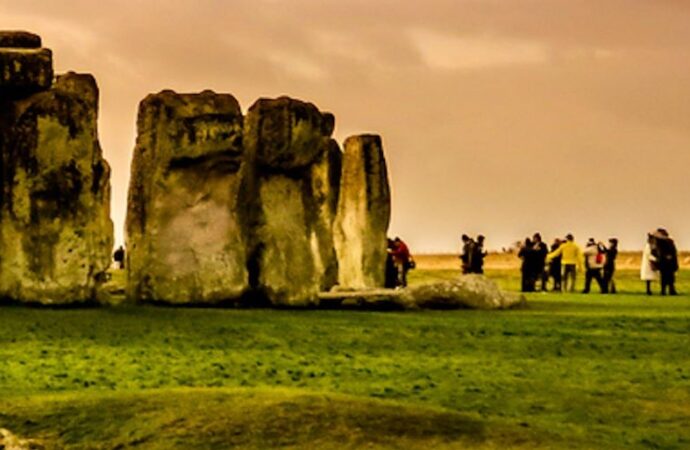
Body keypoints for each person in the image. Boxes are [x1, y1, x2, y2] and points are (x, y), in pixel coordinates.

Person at [654, 229, 678, 295]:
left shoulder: (668, 241)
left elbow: (673, 252)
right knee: (665, 277)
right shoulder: (661, 241)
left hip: (668, 263)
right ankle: (664, 291)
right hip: (664, 262)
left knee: (670, 277)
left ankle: (670, 290)